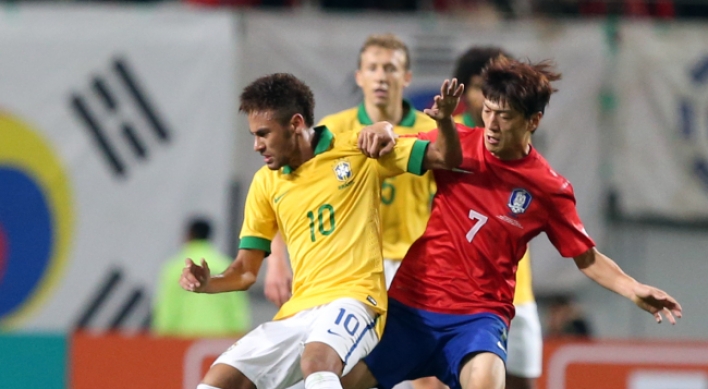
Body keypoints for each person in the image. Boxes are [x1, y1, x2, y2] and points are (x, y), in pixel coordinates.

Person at [341, 56, 682, 389]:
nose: (491, 124)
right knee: (340, 383)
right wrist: (381, 128)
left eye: (504, 116)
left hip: (479, 317)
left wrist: (632, 287)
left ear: (533, 120)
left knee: (488, 381)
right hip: (413, 305)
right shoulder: (455, 146)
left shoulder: (549, 188)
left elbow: (587, 258)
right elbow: (390, 146)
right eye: (488, 110)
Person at [179, 73, 464, 389]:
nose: (257, 145)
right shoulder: (265, 183)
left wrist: (444, 122)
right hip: (298, 312)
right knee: (217, 381)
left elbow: (445, 158)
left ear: (296, 123)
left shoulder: (358, 149)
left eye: (263, 134)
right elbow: (245, 272)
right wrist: (209, 283)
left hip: (356, 298)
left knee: (317, 361)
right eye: (253, 135)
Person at [264, 33, 439, 389]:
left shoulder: (430, 131)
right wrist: (277, 259)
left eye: (390, 68)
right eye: (372, 68)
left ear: (406, 78)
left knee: (424, 379)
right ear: (358, 76)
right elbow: (291, 194)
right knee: (331, 370)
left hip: (412, 269)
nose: (381, 76)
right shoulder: (335, 130)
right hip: (346, 271)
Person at [453, 46, 541, 389]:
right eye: (479, 86)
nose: (490, 96)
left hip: (517, 294)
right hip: (461, 296)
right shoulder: (446, 142)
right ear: (463, 92)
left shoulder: (520, 143)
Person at [152, 217, 251, 337]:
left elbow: (166, 312)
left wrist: (161, 339)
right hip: (219, 340)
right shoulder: (227, 266)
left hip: (182, 341)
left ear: (189, 235)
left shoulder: (174, 268)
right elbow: (236, 311)